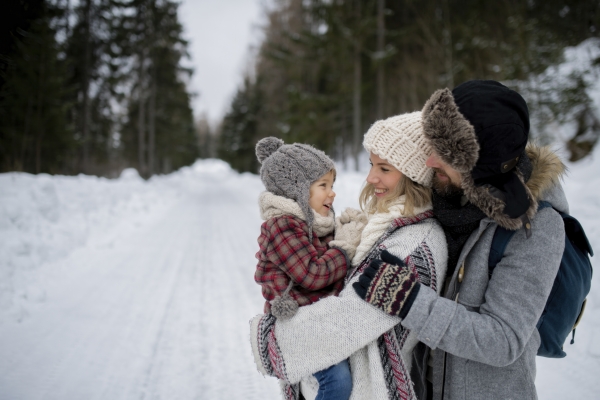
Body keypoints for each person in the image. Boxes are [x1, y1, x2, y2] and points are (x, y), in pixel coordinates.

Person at [353, 80, 567, 399]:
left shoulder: (536, 228)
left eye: (446, 154)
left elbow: (502, 339)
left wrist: (408, 299)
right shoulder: (450, 198)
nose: (430, 161)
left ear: (480, 163)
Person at [250, 113, 448, 400]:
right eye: (371, 165)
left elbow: (353, 315)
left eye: (384, 168)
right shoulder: (382, 223)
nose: (370, 177)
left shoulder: (416, 241)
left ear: (412, 174)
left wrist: (274, 340)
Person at [253, 137, 367, 400]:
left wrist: (347, 228)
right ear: (299, 190)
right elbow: (313, 274)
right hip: (298, 324)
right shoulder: (282, 226)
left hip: (320, 320)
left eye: (332, 185)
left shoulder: (316, 222)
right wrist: (344, 248)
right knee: (336, 381)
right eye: (323, 185)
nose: (332, 192)